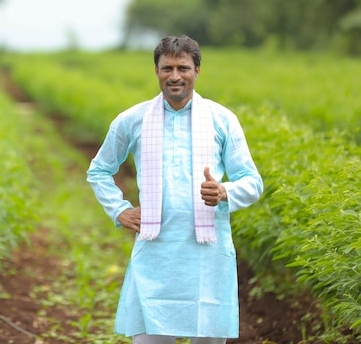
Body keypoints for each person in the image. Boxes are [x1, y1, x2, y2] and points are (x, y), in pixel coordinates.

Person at [87, 35, 263, 344]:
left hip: (207, 255)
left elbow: (252, 181)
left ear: (197, 71)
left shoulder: (223, 120)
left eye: (183, 67)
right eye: (167, 68)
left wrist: (223, 192)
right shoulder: (132, 120)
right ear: (156, 71)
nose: (175, 76)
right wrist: (120, 210)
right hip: (156, 253)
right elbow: (99, 170)